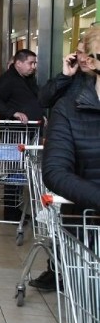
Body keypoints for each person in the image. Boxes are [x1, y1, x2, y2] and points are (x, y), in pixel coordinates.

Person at [33, 27, 100, 292]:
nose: (81, 58)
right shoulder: (72, 99)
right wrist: (64, 75)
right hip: (88, 215)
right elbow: (45, 98)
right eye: (81, 53)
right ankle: (57, 269)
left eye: (85, 54)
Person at [0, 49, 43, 222]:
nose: (34, 67)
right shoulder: (9, 80)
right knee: (14, 170)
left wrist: (41, 115)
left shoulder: (26, 80)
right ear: (18, 63)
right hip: (14, 133)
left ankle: (15, 208)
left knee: (20, 171)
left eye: (35, 63)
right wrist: (13, 113)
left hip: (27, 133)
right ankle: (11, 212)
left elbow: (30, 101)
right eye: (30, 63)